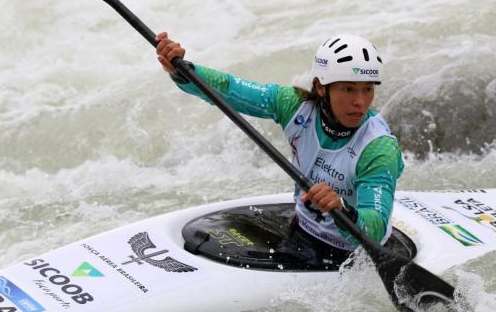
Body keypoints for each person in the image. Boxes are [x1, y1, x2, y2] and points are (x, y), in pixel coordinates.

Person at [156, 32, 404, 267]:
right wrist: (182, 70)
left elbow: (376, 227)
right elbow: (228, 89)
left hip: (353, 255)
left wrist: (341, 207)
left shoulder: (379, 148)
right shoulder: (294, 106)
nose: (360, 101)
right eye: (348, 89)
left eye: (367, 89)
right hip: (302, 229)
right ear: (321, 87)